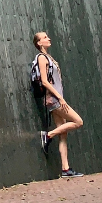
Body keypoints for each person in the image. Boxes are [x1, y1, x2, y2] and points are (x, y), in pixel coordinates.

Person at [31, 31, 84, 177]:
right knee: (78, 121)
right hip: (54, 99)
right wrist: (60, 98)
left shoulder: (48, 57)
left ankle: (65, 169)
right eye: (45, 37)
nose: (48, 38)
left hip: (56, 98)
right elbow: (44, 81)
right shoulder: (42, 58)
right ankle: (48, 136)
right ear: (39, 43)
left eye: (48, 36)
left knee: (64, 133)